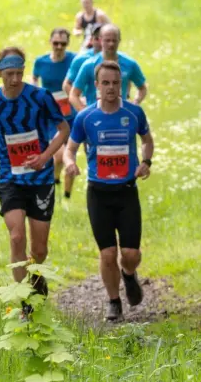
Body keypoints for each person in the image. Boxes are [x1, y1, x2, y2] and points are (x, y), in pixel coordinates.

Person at [0, 48, 69, 314]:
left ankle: (36, 276)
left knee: (39, 249)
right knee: (17, 236)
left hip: (41, 178)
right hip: (10, 177)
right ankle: (25, 301)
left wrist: (45, 157)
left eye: (19, 73)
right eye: (9, 74)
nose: (15, 79)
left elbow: (63, 129)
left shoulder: (40, 97)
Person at [64, 62, 154, 321]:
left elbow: (147, 141)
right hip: (98, 194)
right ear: (97, 86)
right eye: (105, 83)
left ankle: (129, 274)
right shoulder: (86, 117)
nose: (111, 88)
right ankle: (114, 301)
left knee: (130, 254)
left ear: (122, 85)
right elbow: (70, 149)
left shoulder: (134, 113)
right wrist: (70, 163)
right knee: (108, 253)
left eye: (115, 83)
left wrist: (146, 163)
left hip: (126, 192)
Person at [34, 28, 76, 195]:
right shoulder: (41, 61)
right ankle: (56, 177)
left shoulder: (74, 60)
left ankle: (67, 195)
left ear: (68, 44)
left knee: (71, 154)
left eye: (63, 44)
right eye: (56, 43)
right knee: (58, 155)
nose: (59, 47)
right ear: (50, 42)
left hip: (71, 114)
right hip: (51, 115)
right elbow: (34, 78)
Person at [68, 24, 147, 113]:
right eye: (107, 40)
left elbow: (142, 88)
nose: (111, 44)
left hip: (121, 115)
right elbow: (73, 94)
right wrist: (85, 114)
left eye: (114, 40)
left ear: (119, 40)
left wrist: (135, 104)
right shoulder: (89, 65)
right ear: (100, 40)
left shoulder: (130, 64)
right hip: (96, 116)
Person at [64, 23, 103, 98]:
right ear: (91, 40)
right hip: (90, 103)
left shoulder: (119, 58)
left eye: (103, 38)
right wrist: (79, 100)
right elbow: (67, 84)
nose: (100, 42)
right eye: (97, 38)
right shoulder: (81, 59)